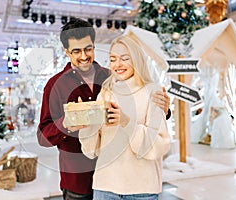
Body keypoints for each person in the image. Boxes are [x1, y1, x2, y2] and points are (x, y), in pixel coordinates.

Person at [37, 18, 170, 200]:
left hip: (122, 179)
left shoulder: (111, 78)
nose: (83, 56)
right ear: (67, 52)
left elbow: (143, 108)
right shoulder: (55, 86)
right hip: (79, 179)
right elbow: (43, 136)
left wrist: (163, 109)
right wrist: (67, 123)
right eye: (76, 51)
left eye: (88, 49)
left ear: (93, 45)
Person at [79, 34, 171, 200]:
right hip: (105, 187)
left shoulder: (153, 92)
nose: (117, 64)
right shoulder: (106, 93)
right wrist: (86, 126)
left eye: (124, 58)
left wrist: (126, 122)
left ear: (136, 60)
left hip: (141, 190)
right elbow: (92, 151)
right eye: (113, 59)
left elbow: (158, 146)